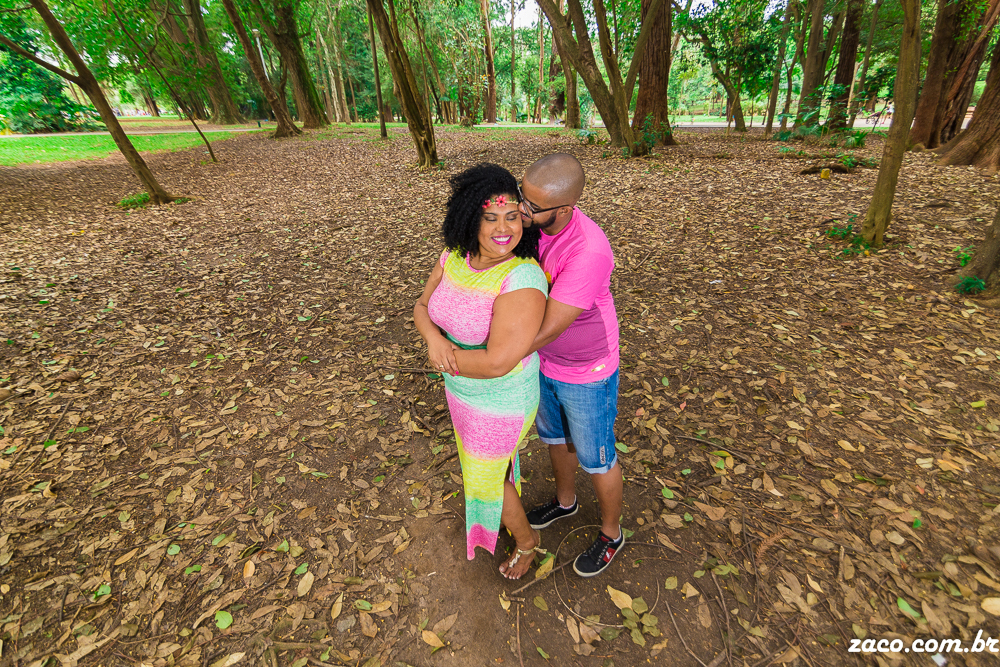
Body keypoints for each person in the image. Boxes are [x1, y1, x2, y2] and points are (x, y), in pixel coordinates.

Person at [413, 163, 548, 580]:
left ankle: (528, 542)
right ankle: (509, 513)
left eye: (512, 216)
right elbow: (422, 306)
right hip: (461, 391)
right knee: (489, 469)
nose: (503, 228)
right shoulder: (454, 257)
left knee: (485, 478)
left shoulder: (523, 278)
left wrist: (442, 358)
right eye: (490, 218)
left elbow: (496, 361)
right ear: (470, 218)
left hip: (501, 400)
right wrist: (434, 341)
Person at [517, 153, 624, 578]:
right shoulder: (532, 224)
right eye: (522, 195)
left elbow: (548, 328)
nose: (521, 210)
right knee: (556, 438)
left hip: (585, 371)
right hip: (543, 362)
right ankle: (565, 502)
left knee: (597, 456)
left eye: (531, 206)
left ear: (563, 210)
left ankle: (611, 533)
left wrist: (494, 358)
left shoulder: (588, 250)